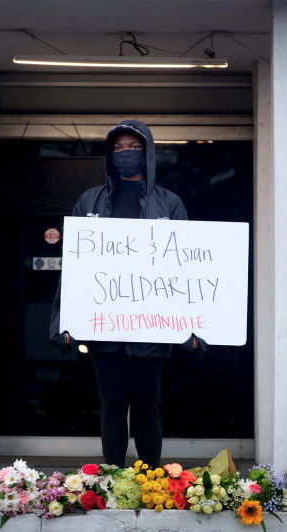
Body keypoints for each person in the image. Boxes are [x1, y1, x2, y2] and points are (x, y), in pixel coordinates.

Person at [49, 119, 202, 468]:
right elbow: (73, 267)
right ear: (108, 154)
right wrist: (65, 320)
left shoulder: (169, 203)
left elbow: (188, 267)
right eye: (117, 148)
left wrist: (195, 327)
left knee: (148, 405)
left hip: (152, 324)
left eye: (133, 147)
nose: (125, 153)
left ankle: (151, 485)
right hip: (104, 324)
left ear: (147, 152)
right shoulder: (90, 200)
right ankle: (114, 482)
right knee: (113, 405)